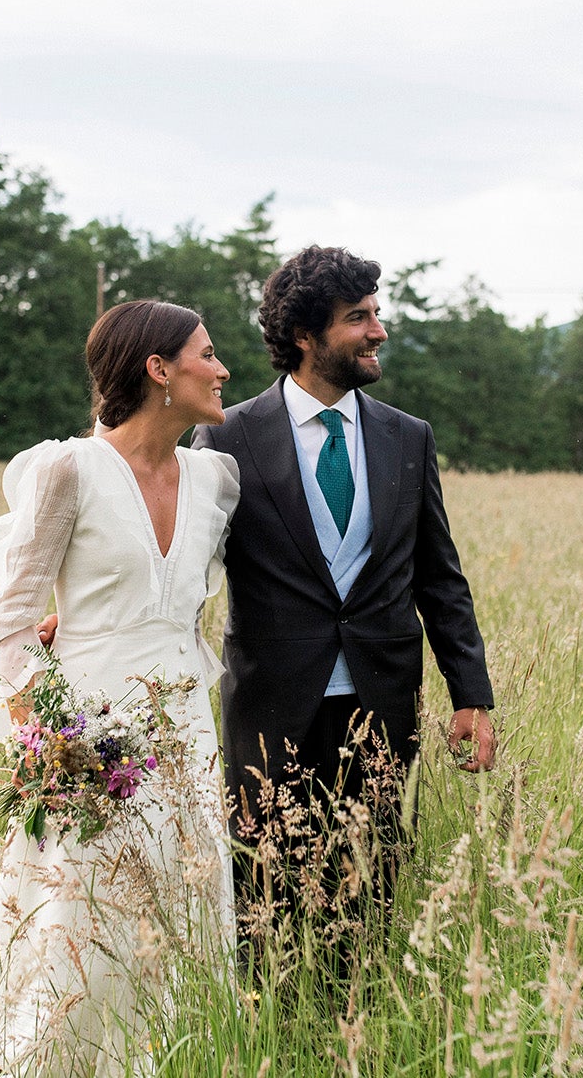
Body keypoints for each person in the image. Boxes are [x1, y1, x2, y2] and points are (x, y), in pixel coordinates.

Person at [0, 300, 238, 1076]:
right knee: (77, 927)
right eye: (206, 355)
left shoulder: (217, 479)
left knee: (185, 913)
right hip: (89, 742)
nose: (222, 370)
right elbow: (10, 622)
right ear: (158, 370)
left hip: (186, 731)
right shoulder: (67, 468)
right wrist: (49, 738)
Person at [191, 245, 496, 922]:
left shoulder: (408, 437)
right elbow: (185, 563)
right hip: (271, 706)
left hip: (383, 700)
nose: (378, 330)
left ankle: (360, 1024)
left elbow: (440, 578)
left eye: (376, 313)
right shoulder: (228, 437)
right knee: (268, 902)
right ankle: (276, 1025)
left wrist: (471, 693)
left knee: (372, 895)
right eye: (358, 317)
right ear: (305, 336)